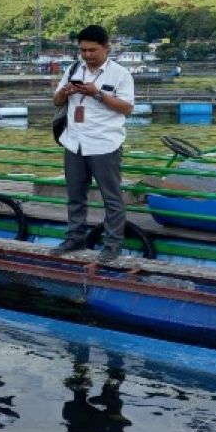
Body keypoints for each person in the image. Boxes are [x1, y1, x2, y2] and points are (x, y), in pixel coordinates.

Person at [52, 25, 135, 263]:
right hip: (74, 142)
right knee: (75, 194)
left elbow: (127, 108)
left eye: (92, 50)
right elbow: (56, 100)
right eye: (83, 50)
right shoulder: (73, 69)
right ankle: (75, 238)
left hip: (105, 143)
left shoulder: (120, 74)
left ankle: (112, 245)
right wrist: (66, 92)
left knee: (112, 197)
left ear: (106, 48)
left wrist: (97, 93)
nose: (87, 55)